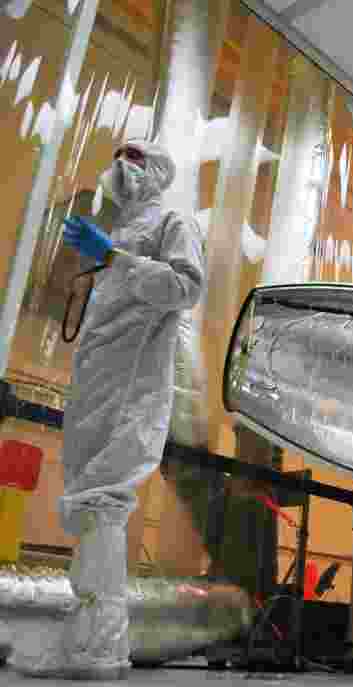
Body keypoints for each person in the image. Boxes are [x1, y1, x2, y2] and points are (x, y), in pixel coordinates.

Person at [11, 140, 205, 680]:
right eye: (120, 155)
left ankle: (98, 648)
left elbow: (185, 287)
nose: (124, 165)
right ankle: (88, 641)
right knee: (85, 501)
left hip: (132, 385)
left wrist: (113, 257)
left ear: (160, 168)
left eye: (137, 157)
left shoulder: (174, 221)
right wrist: (109, 253)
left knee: (102, 501)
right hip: (97, 381)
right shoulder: (119, 231)